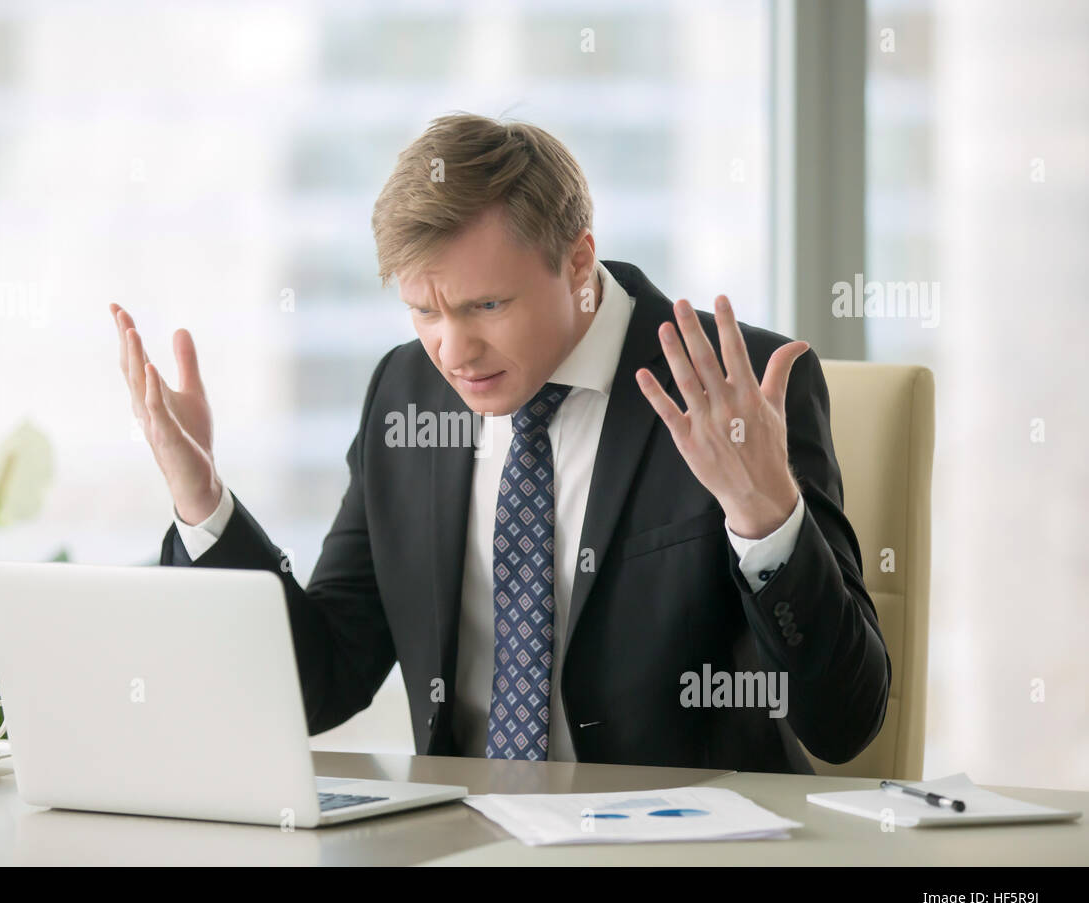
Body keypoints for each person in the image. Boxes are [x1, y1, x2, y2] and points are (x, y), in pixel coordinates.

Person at [110, 112, 889, 772]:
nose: (453, 351)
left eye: (486, 305)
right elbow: (322, 681)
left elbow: (844, 722)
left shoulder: (730, 388)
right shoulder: (406, 397)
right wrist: (201, 498)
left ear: (579, 262)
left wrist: (766, 516)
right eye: (424, 311)